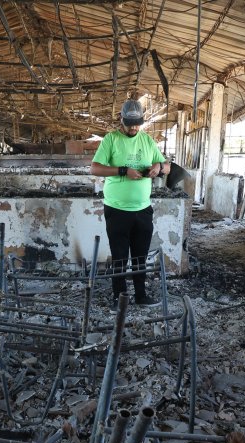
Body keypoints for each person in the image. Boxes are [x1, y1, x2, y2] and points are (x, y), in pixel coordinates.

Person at [91, 99, 170, 307]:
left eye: (137, 123)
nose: (134, 127)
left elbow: (167, 166)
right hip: (117, 209)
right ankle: (119, 297)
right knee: (120, 257)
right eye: (129, 123)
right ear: (121, 120)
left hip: (143, 209)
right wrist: (123, 170)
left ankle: (141, 295)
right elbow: (95, 168)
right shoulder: (111, 140)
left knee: (140, 256)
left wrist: (158, 167)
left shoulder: (147, 140)